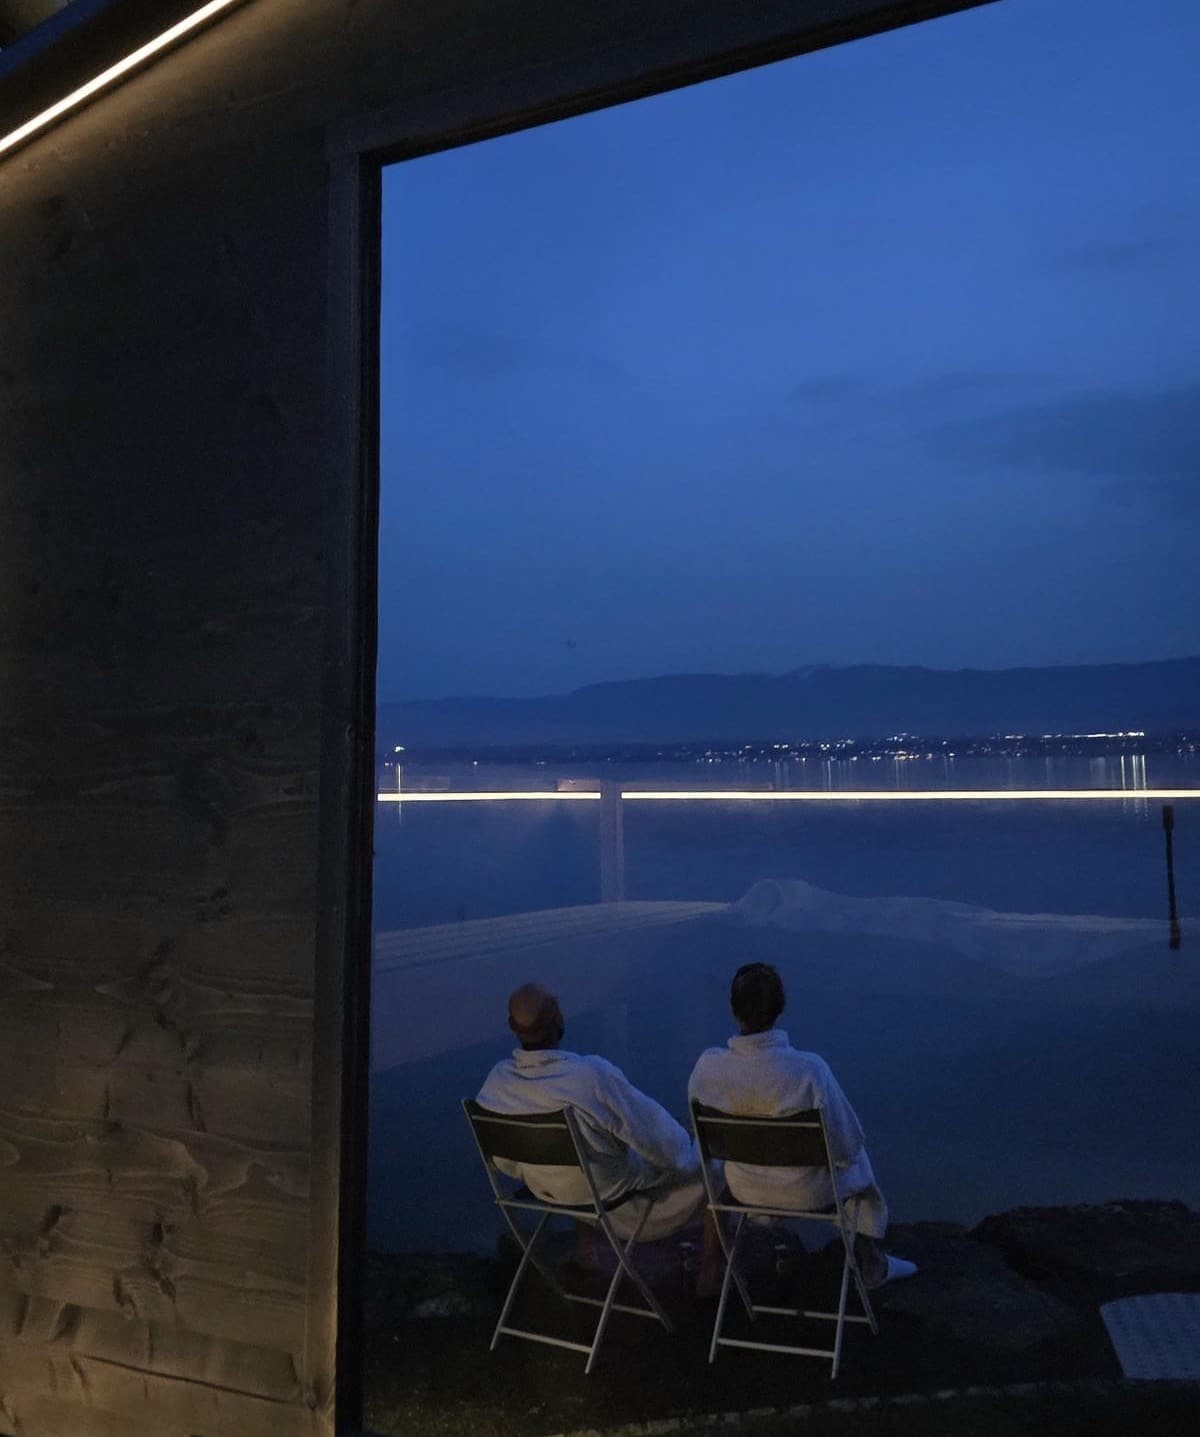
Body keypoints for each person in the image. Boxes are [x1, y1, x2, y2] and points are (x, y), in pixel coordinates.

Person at [687, 961, 916, 1289]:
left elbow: (701, 1141)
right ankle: (871, 1263)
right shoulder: (809, 1070)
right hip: (809, 1192)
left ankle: (710, 1268)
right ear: (780, 1008)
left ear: (733, 1008)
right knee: (858, 1158)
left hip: (744, 1189)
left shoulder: (708, 1068)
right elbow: (847, 1143)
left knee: (718, 1178)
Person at [476, 982, 719, 1283]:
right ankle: (710, 1268)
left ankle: (586, 1254)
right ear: (558, 1021)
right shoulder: (590, 1076)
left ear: (513, 1027)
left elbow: (501, 1162)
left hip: (550, 1192)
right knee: (712, 1163)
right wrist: (687, 1149)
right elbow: (664, 1142)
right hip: (611, 1198)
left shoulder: (497, 1082)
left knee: (584, 1156)